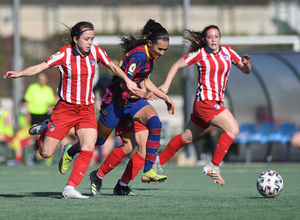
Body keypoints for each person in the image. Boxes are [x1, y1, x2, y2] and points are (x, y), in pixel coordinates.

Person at [3, 21, 138, 199]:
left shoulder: (96, 52)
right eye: (86, 39)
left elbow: (113, 67)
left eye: (92, 39)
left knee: (89, 146)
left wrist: (127, 80)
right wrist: (20, 73)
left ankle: (70, 188)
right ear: (75, 39)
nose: (90, 42)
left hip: (87, 109)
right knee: (46, 153)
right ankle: (45, 128)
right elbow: (40, 67)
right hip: (64, 109)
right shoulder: (64, 54)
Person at [60, 21, 175, 197]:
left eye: (165, 50)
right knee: (98, 141)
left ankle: (147, 171)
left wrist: (165, 98)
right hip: (116, 103)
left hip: (133, 103)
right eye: (160, 49)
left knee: (153, 126)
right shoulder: (138, 56)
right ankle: (72, 150)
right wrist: (143, 95)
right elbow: (123, 83)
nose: (162, 53)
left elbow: (144, 81)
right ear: (149, 42)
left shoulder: (149, 56)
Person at [155, 25, 252, 185]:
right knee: (233, 129)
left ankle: (155, 162)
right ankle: (213, 166)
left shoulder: (228, 52)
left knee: (186, 137)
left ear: (220, 38)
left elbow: (246, 70)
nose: (213, 40)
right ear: (204, 40)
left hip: (210, 104)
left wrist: (246, 64)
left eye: (216, 36)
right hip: (206, 103)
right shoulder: (200, 54)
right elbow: (176, 65)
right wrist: (166, 85)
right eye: (209, 37)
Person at [24, 72, 56, 164]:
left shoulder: (48, 90)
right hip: (34, 114)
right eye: (40, 78)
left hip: (44, 115)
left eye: (43, 79)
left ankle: (42, 155)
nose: (42, 80)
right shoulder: (32, 88)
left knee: (44, 135)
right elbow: (27, 102)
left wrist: (50, 109)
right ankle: (36, 154)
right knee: (34, 135)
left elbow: (51, 103)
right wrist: (27, 114)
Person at [7, 99, 32, 166]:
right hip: (22, 131)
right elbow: (21, 125)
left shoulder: (28, 112)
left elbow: (29, 121)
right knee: (14, 139)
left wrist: (27, 112)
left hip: (28, 130)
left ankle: (18, 159)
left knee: (17, 139)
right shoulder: (20, 114)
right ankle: (16, 158)